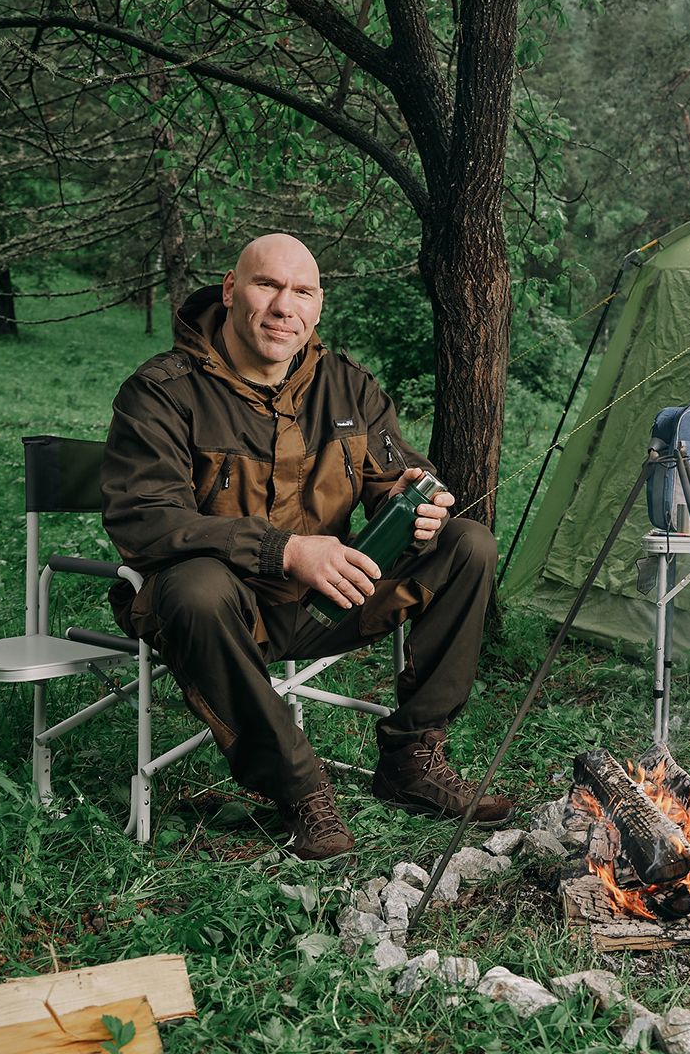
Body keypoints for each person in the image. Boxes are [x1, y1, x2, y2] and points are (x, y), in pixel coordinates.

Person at [101, 233, 512, 860]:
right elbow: (145, 519)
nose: (283, 306)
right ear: (233, 291)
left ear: (318, 306)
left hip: (329, 601)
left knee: (468, 545)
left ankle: (412, 759)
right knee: (195, 588)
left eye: (302, 292)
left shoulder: (348, 387)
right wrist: (286, 550)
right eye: (267, 285)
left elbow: (389, 476)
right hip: (221, 616)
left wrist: (415, 502)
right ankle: (299, 790)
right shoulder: (161, 392)